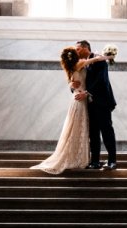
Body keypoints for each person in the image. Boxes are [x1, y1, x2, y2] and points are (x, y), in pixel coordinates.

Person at [31, 46, 107, 175]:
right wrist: (108, 56)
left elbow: (73, 83)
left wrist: (72, 85)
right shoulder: (80, 63)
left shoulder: (70, 67)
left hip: (76, 100)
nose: (79, 52)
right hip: (80, 101)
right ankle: (79, 158)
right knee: (79, 129)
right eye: (76, 50)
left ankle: (78, 157)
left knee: (76, 130)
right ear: (74, 56)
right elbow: (98, 59)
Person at [75, 39, 117, 169]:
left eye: (78, 49)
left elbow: (101, 81)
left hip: (102, 102)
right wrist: (73, 87)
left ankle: (112, 161)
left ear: (85, 48)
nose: (76, 52)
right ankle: (95, 161)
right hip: (89, 104)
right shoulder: (83, 63)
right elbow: (78, 80)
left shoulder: (99, 59)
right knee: (93, 133)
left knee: (106, 131)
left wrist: (87, 93)